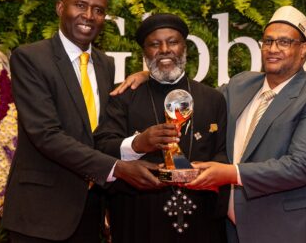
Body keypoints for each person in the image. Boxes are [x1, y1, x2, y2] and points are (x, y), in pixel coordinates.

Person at [113, 6, 306, 243]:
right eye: (268, 41)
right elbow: (199, 100)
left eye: (285, 42)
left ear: (303, 49)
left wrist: (230, 173)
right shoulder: (240, 85)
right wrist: (155, 74)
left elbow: (302, 166)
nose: (274, 49)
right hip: (238, 229)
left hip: (294, 230)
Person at [2, 0, 162, 242]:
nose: (89, 16)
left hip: (90, 210)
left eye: (98, 10)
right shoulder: (30, 58)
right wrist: (117, 168)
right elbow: (46, 135)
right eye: (80, 5)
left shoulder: (104, 64)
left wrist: (149, 76)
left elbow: (100, 131)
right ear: (60, 8)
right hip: (40, 214)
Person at [95, 13, 229, 243]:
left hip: (201, 222)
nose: (164, 49)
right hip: (138, 220)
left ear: (184, 47)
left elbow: (223, 153)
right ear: (145, 53)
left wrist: (207, 173)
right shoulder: (123, 97)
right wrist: (138, 144)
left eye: (173, 42)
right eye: (154, 44)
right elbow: (101, 149)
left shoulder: (212, 98)